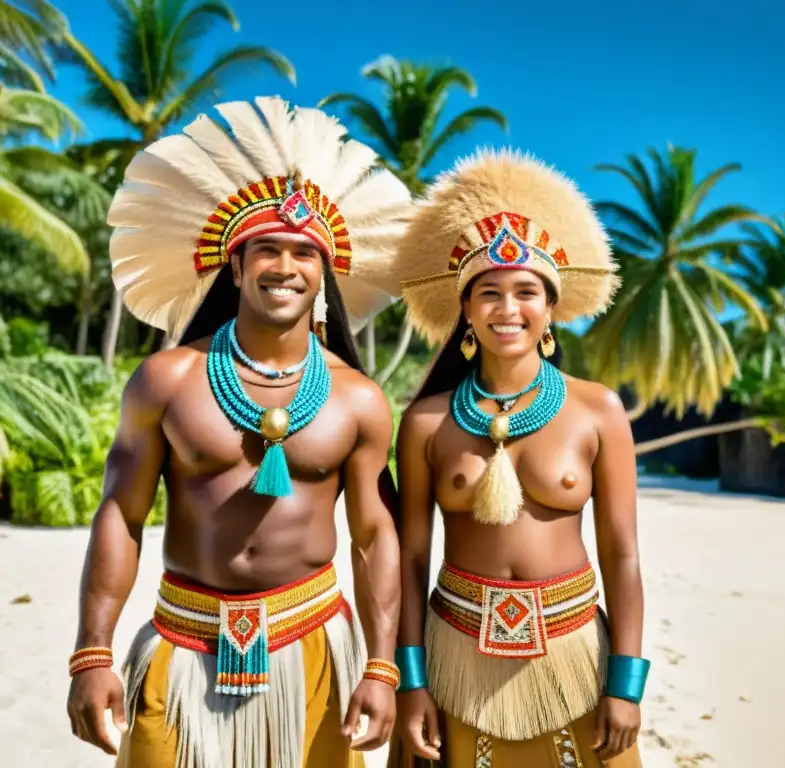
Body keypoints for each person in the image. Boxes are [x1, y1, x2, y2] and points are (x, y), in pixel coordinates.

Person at [65, 96, 414, 768]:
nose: (286, 267)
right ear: (235, 265)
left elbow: (374, 536)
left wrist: (379, 667)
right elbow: (121, 512)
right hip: (183, 642)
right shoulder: (166, 380)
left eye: (304, 254)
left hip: (314, 643)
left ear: (325, 272)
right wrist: (93, 650)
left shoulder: (359, 400)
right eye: (269, 250)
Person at [386, 149, 648, 767]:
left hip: (575, 652)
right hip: (453, 651)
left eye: (526, 291)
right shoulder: (426, 420)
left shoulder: (598, 411)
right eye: (490, 293)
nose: (509, 308)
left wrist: (626, 683)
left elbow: (623, 551)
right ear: (467, 311)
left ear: (550, 307)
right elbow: (410, 556)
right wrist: (412, 681)